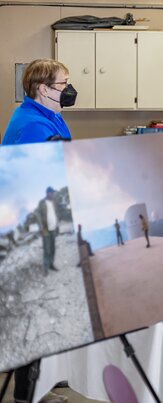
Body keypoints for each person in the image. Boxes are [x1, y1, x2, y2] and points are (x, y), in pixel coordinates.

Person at [3, 59, 75, 403]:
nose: (69, 90)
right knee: (34, 309)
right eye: (63, 84)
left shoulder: (49, 116)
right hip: (30, 230)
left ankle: (42, 381)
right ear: (43, 89)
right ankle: (25, 395)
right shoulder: (33, 126)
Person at [3, 59, 77, 145]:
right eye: (64, 82)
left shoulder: (51, 113)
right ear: (44, 90)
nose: (68, 87)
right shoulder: (34, 127)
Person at [36, 187, 60, 274]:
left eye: (53, 193)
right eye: (51, 193)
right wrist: (41, 225)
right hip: (45, 229)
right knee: (47, 249)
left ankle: (51, 264)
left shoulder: (53, 202)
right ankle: (45, 267)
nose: (53, 194)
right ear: (47, 193)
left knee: (53, 248)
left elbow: (55, 213)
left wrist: (57, 224)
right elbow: (37, 213)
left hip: (53, 228)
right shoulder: (42, 202)